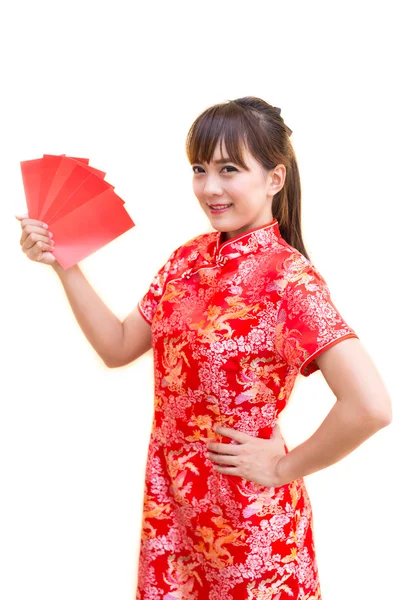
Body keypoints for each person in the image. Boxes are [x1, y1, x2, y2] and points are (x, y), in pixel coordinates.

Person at [16, 97, 392, 600]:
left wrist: (285, 466)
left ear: (275, 179)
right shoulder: (187, 259)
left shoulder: (288, 280)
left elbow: (370, 406)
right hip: (173, 508)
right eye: (200, 168)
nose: (209, 187)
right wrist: (65, 263)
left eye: (230, 169)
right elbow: (119, 346)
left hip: (248, 522)